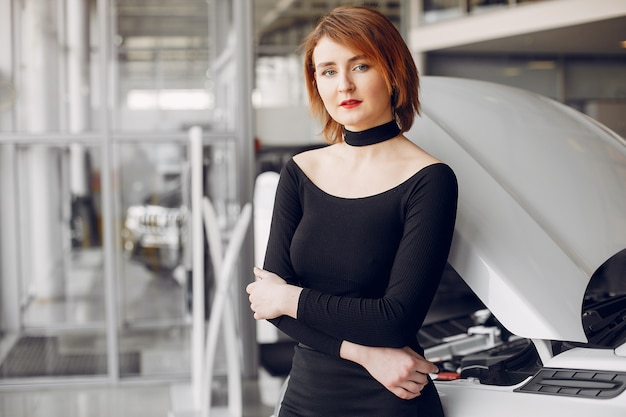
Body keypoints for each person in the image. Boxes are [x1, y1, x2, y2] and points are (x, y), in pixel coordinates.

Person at [246, 6, 457, 416]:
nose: (343, 84)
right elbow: (268, 306)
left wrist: (290, 297)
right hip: (307, 398)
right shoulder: (301, 170)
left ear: (393, 71)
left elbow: (394, 320)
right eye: (327, 71)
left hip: (392, 401)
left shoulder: (430, 179)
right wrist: (366, 355)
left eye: (360, 66)